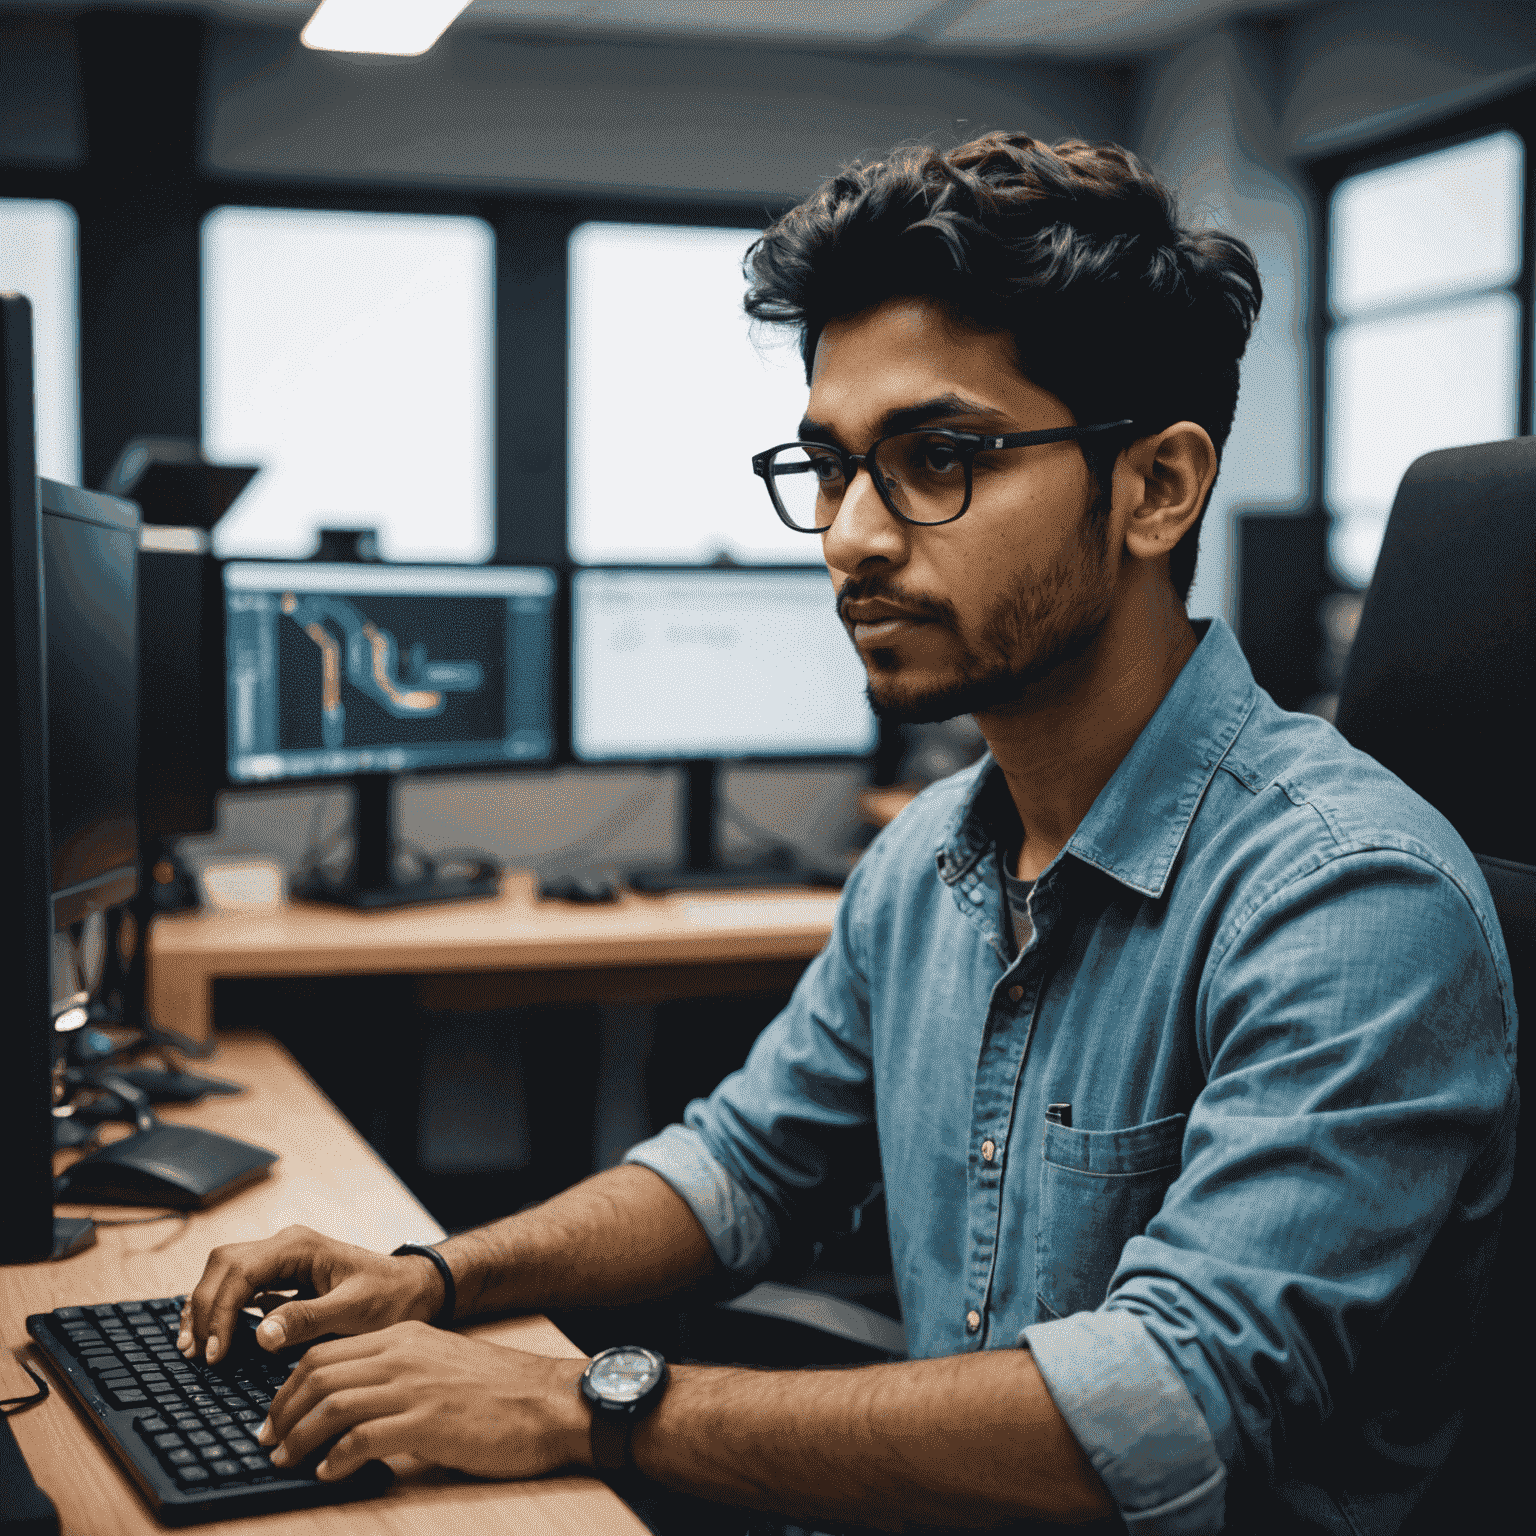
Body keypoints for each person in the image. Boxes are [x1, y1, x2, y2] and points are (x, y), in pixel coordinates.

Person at [179, 135, 1516, 1535]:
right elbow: (741, 1168)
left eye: (938, 458)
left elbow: (1163, 1407)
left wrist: (573, 1407)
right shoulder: (930, 856)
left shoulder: (1351, 899)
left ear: (1159, 489)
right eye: (829, 468)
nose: (850, 539)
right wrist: (437, 1278)